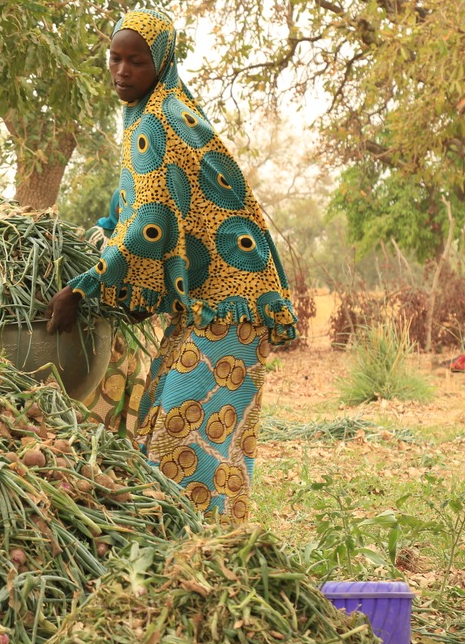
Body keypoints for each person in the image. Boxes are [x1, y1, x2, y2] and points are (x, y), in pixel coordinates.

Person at [45, 9, 297, 524]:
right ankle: (191, 553)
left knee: (190, 434)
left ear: (160, 63)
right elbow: (127, 209)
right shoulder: (147, 114)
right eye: (114, 58)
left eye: (136, 62)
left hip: (231, 303)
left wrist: (84, 288)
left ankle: (213, 557)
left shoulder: (161, 120)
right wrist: (86, 238)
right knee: (161, 423)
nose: (121, 70)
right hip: (204, 304)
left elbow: (149, 224)